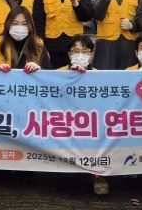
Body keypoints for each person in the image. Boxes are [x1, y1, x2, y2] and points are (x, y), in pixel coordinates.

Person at [56, 35, 108, 195]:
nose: (80, 55)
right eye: (76, 51)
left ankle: (97, 175)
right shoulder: (57, 74)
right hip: (65, 122)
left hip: (91, 124)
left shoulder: (102, 76)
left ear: (92, 55)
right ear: (69, 54)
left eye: (85, 51)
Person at [91, 0, 140, 69]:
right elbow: (97, 16)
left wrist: (132, 25)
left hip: (129, 44)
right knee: (106, 77)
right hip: (105, 45)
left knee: (129, 76)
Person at [0, 6, 51, 71]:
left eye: (24, 24)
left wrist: (39, 70)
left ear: (30, 26)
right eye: (14, 23)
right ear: (8, 24)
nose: (19, 27)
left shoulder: (38, 44)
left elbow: (49, 74)